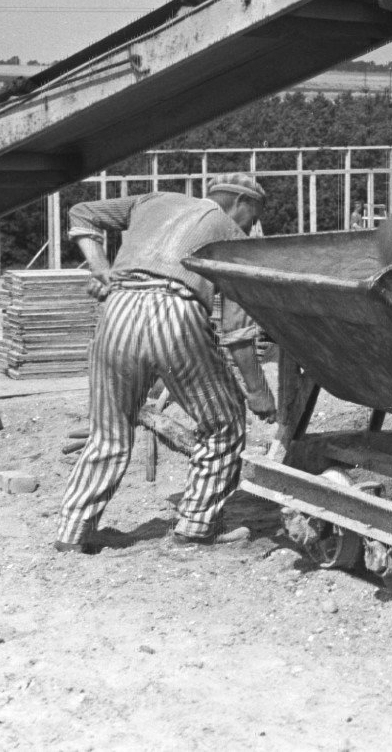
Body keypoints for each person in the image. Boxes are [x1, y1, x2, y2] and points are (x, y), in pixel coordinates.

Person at [55, 173, 278, 554]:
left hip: (117, 309)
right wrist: (258, 392)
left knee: (108, 431)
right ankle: (196, 527)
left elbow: (82, 212)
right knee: (223, 424)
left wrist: (99, 267)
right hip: (177, 309)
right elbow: (237, 333)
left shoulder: (155, 201)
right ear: (243, 203)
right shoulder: (234, 238)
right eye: (254, 214)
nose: (253, 224)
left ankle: (73, 532)